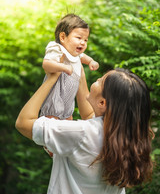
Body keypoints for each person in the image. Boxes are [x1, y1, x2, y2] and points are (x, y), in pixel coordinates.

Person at [15, 67, 154, 194]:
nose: (97, 80)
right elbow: (89, 116)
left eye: (100, 80)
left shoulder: (80, 133)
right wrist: (79, 73)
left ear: (102, 103)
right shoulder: (127, 135)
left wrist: (51, 78)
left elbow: (23, 123)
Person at [40, 13, 99, 121]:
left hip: (68, 104)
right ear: (62, 37)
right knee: (53, 125)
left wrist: (91, 61)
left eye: (85, 40)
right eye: (79, 37)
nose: (83, 42)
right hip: (54, 102)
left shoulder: (74, 54)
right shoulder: (57, 48)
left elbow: (83, 57)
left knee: (68, 121)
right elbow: (46, 64)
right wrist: (62, 67)